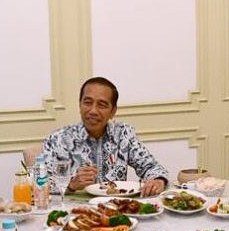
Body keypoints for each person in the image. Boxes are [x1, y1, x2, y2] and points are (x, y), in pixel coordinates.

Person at [41, 76, 170, 196]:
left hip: (116, 211)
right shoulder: (58, 140)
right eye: (87, 102)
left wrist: (158, 180)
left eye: (102, 105)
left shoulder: (123, 135)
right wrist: (71, 184)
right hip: (74, 213)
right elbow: (40, 184)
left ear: (113, 111)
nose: (93, 111)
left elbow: (152, 167)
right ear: (79, 105)